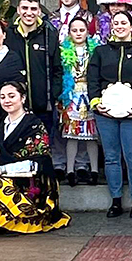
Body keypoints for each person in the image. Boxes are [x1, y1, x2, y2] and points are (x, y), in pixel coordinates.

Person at [0, 81, 70, 234]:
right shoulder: (2, 122)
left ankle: (0, 220)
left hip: (26, 181)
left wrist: (2, 170)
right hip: (0, 176)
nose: (7, 100)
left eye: (11, 96)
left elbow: (36, 163)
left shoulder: (34, 125)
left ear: (23, 98)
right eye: (3, 97)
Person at [87, 9, 132, 218]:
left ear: (131, 25)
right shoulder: (101, 51)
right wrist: (96, 102)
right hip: (105, 113)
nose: (119, 26)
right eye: (116, 23)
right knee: (111, 157)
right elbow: (93, 79)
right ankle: (115, 200)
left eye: (123, 23)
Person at [58, 14, 102, 186]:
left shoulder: (95, 50)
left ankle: (94, 170)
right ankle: (70, 170)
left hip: (90, 94)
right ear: (69, 32)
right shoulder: (63, 50)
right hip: (71, 95)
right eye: (74, 30)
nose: (78, 33)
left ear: (87, 32)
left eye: (82, 30)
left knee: (91, 135)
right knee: (72, 134)